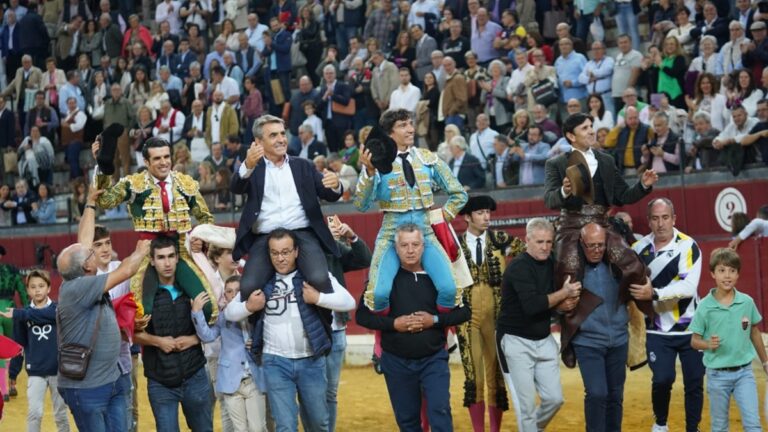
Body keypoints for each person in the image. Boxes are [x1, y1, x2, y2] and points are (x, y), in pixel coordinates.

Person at [544, 113, 658, 367]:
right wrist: (564, 190)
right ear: (571, 136)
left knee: (634, 266)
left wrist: (643, 185)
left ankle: (638, 331)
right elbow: (550, 199)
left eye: (592, 126)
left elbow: (624, 196)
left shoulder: (606, 160)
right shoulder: (556, 164)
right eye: (585, 128)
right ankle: (570, 340)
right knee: (567, 274)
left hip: (603, 224)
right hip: (571, 224)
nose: (591, 130)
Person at [225, 228, 355, 432]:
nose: (280, 258)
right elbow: (229, 313)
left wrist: (318, 298)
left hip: (311, 360)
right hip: (276, 362)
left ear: (296, 252)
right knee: (285, 425)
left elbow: (349, 302)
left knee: (319, 423)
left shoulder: (315, 277)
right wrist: (248, 307)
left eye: (285, 252)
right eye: (275, 253)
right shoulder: (261, 281)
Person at [356, 224, 471, 431]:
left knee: (440, 411)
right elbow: (362, 316)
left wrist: (433, 320)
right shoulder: (382, 280)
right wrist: (394, 324)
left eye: (415, 244)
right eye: (404, 245)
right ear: (395, 248)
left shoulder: (440, 278)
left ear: (424, 246)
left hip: (433, 358)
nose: (410, 250)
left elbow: (465, 312)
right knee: (407, 421)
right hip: (396, 360)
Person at [94, 137, 219, 324]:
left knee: (210, 309)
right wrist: (104, 167)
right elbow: (105, 201)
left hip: (180, 252)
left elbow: (206, 218)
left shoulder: (184, 183)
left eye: (166, 157)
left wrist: (200, 238)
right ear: (146, 162)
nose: (164, 162)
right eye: (157, 158)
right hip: (146, 253)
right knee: (141, 314)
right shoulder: (134, 184)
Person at [354, 108, 467, 314]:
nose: (410, 129)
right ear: (390, 133)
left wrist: (441, 217)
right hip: (391, 234)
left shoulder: (427, 158)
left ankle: (437, 332)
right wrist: (370, 172)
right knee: (378, 295)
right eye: (403, 125)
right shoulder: (377, 164)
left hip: (425, 233)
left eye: (410, 124)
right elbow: (360, 204)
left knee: (450, 290)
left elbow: (460, 193)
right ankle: (388, 338)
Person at [230, 114, 343, 307]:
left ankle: (323, 334)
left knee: (319, 279)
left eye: (282, 133)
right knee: (248, 287)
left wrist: (336, 185)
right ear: (258, 142)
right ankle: (258, 336)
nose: (281, 139)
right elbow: (236, 187)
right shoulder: (252, 168)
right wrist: (247, 165)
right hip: (265, 237)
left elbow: (330, 193)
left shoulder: (303, 165)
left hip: (302, 233)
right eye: (273, 135)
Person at [55, 237, 148, 432]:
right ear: (86, 265)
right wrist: (140, 251)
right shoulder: (78, 287)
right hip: (87, 388)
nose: (95, 254)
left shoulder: (81, 286)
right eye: (91, 253)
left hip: (110, 380)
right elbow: (127, 270)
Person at [497, 217, 577, 432]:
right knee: (527, 408)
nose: (544, 247)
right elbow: (532, 305)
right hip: (515, 342)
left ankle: (533, 428)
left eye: (549, 242)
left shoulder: (553, 263)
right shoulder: (518, 267)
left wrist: (563, 303)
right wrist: (564, 294)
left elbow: (550, 305)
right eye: (539, 242)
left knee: (555, 399)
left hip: (543, 339)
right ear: (527, 241)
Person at [631, 198, 704, 432]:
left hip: (691, 326)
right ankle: (660, 424)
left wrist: (653, 293)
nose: (660, 223)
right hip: (657, 328)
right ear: (649, 221)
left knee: (694, 383)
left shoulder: (688, 245)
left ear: (674, 219)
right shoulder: (638, 249)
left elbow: (688, 288)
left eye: (665, 218)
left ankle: (693, 428)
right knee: (662, 379)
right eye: (655, 218)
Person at [132, 236, 213, 431]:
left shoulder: (192, 290)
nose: (167, 263)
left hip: (194, 374)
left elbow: (216, 324)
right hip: (161, 381)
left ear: (178, 258)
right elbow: (130, 334)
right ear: (152, 260)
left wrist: (194, 339)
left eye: (170, 256)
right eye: (160, 257)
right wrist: (158, 341)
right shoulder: (143, 293)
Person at [457, 196, 524, 431]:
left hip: (497, 318)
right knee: (473, 378)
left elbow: (528, 254)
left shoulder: (500, 240)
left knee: (496, 377)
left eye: (488, 212)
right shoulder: (454, 244)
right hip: (467, 319)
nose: (487, 217)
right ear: (467, 217)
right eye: (480, 213)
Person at [689, 247, 768, 432]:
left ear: (738, 274)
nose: (727, 276)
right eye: (722, 270)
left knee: (753, 424)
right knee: (719, 426)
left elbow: (754, 333)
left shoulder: (746, 302)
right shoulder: (705, 307)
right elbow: (694, 341)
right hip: (717, 375)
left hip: (744, 373)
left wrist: (765, 361)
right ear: (713, 274)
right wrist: (707, 344)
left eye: (732, 271)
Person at [571, 223, 636, 432]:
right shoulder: (572, 269)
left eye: (601, 245)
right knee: (597, 393)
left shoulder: (618, 266)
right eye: (591, 246)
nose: (597, 250)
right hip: (587, 342)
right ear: (582, 243)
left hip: (618, 340)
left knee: (615, 395)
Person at [0, 269, 69, 432]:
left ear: (49, 288)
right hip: (35, 371)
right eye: (33, 287)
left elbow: (50, 315)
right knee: (34, 413)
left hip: (58, 371)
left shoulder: (57, 309)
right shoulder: (23, 315)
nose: (37, 290)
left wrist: (19, 314)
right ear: (28, 290)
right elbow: (18, 344)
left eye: (41, 286)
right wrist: (13, 373)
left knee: (61, 414)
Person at [0, 244, 27, 402]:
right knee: (12, 348)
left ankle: (2, 389)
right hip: (10, 310)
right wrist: (28, 312)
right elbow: (22, 292)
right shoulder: (12, 271)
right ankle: (12, 384)